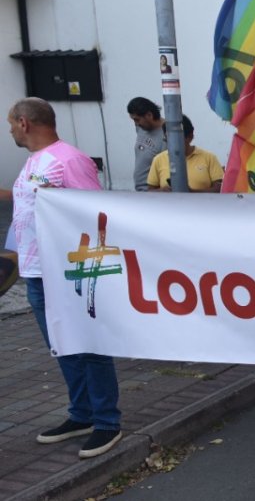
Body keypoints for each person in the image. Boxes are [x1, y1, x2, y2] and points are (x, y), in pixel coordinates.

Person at [7, 97, 123, 458]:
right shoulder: (34, 161)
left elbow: (95, 212)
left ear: (24, 122)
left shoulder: (68, 159)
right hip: (36, 272)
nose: (9, 130)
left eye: (10, 123)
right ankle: (82, 414)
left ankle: (106, 421)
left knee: (88, 346)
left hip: (68, 272)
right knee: (64, 346)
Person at [145, 115, 223, 192]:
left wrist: (192, 192)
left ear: (190, 137)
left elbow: (220, 189)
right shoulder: (158, 159)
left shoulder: (209, 158)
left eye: (175, 140)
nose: (171, 144)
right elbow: (150, 191)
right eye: (167, 140)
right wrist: (162, 191)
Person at [127, 97, 165, 191]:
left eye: (137, 120)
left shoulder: (168, 135)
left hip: (155, 193)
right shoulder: (141, 128)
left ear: (149, 115)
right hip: (141, 190)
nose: (136, 124)